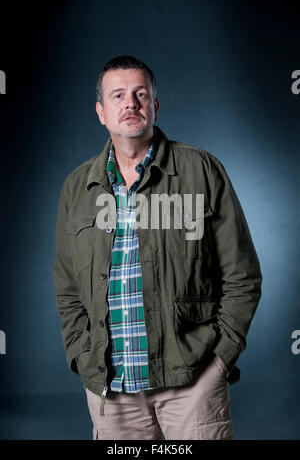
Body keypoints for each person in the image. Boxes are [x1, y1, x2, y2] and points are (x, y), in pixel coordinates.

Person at [53, 54, 262, 440]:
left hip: (192, 383)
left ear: (154, 106)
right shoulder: (76, 188)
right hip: (111, 392)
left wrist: (219, 360)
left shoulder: (201, 170)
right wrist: (83, 357)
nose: (130, 103)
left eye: (140, 94)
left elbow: (242, 276)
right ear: (101, 112)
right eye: (117, 95)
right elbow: (67, 290)